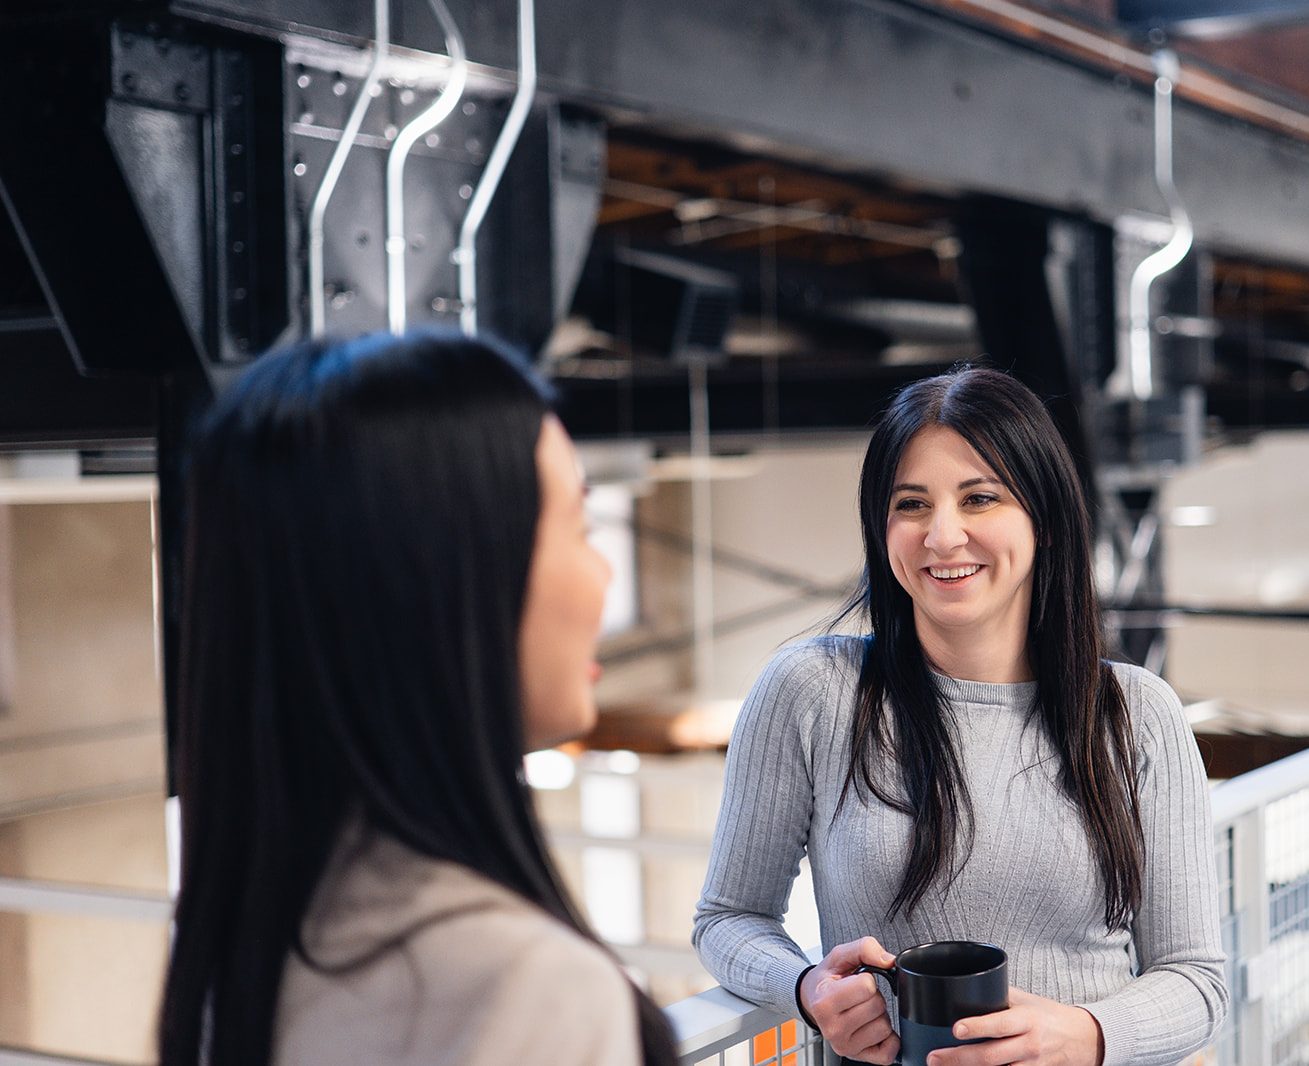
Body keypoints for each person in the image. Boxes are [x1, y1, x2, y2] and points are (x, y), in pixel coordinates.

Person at [158, 330, 678, 1066]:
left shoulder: (260, 941)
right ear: (444, 585)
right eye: (579, 526)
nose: (603, 577)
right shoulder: (524, 987)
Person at [693, 367, 1228, 1066]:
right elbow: (728, 918)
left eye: (979, 498)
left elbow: (1197, 981)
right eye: (910, 504)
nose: (942, 536)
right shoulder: (814, 690)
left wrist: (1088, 1035)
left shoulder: (1134, 715)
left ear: (1043, 516)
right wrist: (803, 986)